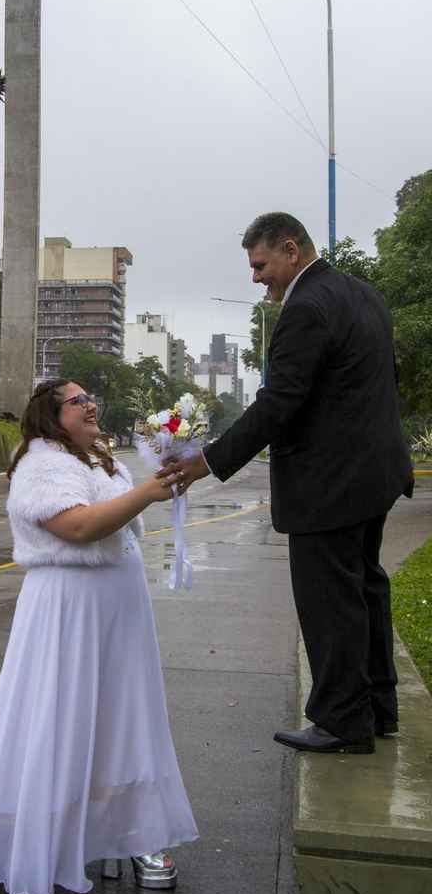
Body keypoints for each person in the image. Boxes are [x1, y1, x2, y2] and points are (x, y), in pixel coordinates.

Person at [163, 212, 413, 755]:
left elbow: (279, 402)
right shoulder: (363, 295)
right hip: (376, 473)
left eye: (261, 265)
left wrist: (207, 460)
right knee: (365, 588)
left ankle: (343, 722)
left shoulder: (305, 309)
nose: (256, 279)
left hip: (330, 482)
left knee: (332, 601)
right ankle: (377, 709)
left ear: (291, 250)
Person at [0, 379, 198, 894]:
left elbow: (121, 516)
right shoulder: (41, 465)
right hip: (68, 610)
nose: (90, 407)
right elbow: (79, 527)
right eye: (78, 401)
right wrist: (148, 492)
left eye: (90, 399)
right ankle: (50, 833)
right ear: (50, 415)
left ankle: (129, 830)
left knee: (124, 714)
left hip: (119, 610)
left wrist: (160, 481)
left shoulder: (100, 460)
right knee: (61, 715)